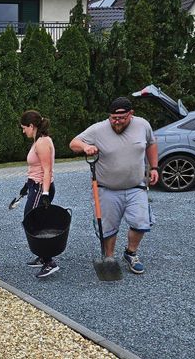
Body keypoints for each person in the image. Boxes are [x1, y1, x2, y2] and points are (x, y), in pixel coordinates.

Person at [69, 97, 158, 274]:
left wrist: (154, 167)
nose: (116, 122)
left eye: (121, 118)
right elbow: (73, 144)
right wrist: (86, 147)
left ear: (131, 114)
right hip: (106, 189)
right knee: (108, 228)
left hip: (136, 186)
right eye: (113, 118)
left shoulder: (142, 125)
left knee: (141, 222)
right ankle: (109, 258)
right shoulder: (98, 129)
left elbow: (151, 143)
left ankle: (131, 253)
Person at [19, 110, 58, 278]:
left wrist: (45, 193)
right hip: (34, 186)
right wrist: (26, 186)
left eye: (24, 128)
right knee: (35, 222)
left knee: (31, 222)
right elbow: (35, 169)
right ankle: (43, 257)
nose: (23, 131)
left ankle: (50, 262)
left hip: (41, 188)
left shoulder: (42, 142)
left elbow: (47, 170)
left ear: (31, 126)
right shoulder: (39, 141)